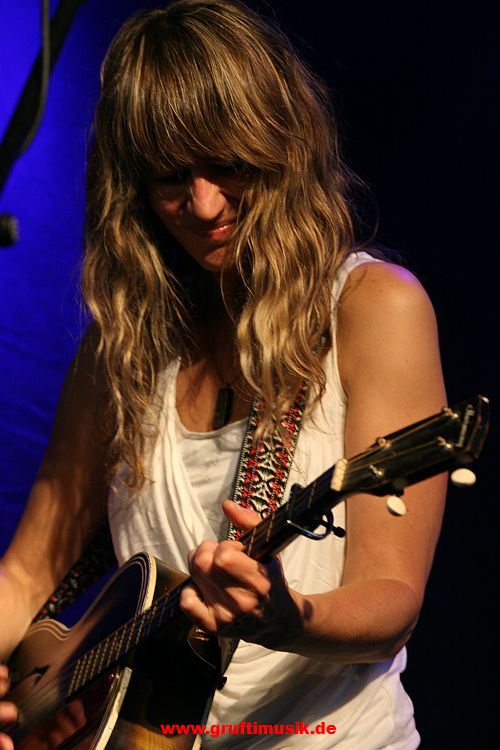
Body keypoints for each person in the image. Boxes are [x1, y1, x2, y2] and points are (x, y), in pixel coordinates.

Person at [0, 1, 447, 747]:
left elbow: (393, 598)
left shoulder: (373, 307)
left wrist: (286, 618)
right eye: (170, 177)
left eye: (227, 165)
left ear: (278, 144)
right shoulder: (122, 350)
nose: (203, 205)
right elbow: (25, 576)